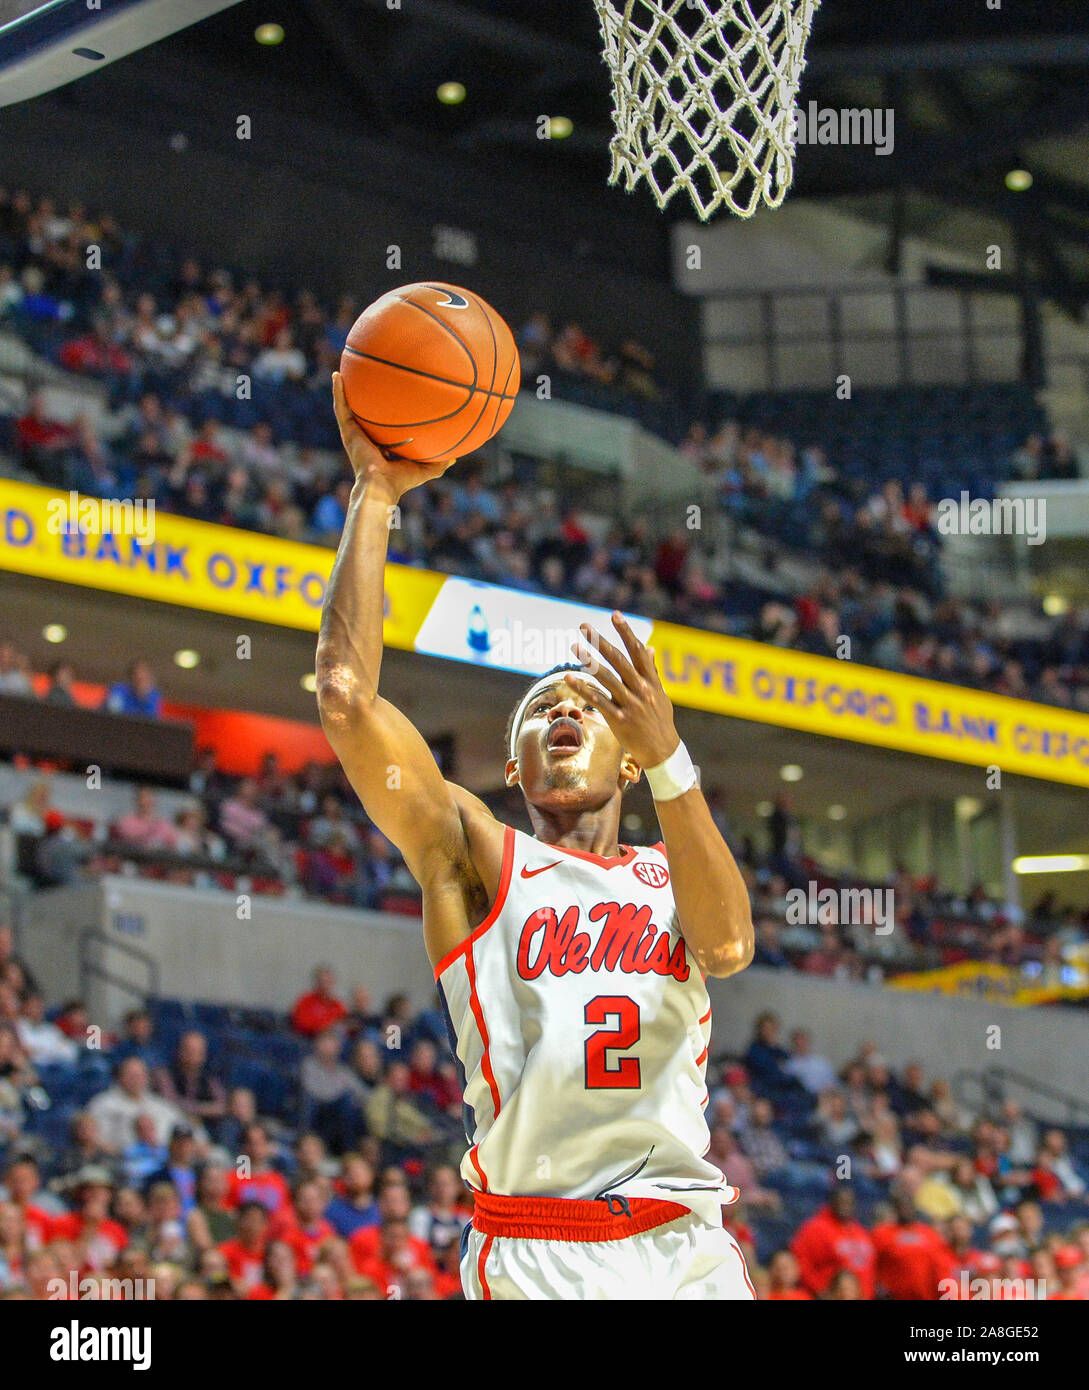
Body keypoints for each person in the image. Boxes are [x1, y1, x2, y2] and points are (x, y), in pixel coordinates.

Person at [315, 372, 755, 1301]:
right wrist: (375, 497)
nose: (563, 710)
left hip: (684, 1247)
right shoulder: (473, 857)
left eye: (585, 706)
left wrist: (673, 754)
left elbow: (727, 945)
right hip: (536, 1250)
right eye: (540, 707)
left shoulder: (669, 867)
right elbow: (346, 701)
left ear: (629, 758)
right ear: (511, 767)